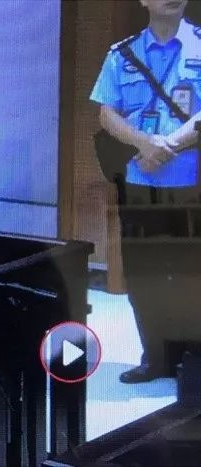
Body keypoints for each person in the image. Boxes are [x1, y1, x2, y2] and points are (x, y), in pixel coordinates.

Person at [91, 0, 201, 383]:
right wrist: (144, 143)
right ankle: (156, 357)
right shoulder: (122, 54)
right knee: (144, 273)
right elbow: (107, 113)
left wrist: (167, 145)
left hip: (192, 183)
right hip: (138, 183)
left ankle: (193, 361)